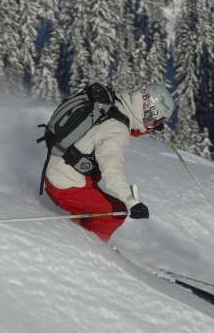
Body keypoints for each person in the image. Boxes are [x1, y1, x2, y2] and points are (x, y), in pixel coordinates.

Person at [44, 84, 175, 242]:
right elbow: (112, 171)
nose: (155, 126)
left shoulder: (114, 102)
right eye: (156, 121)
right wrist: (132, 201)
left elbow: (126, 125)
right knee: (115, 213)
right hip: (65, 186)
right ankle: (88, 249)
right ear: (148, 111)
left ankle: (77, 230)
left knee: (96, 204)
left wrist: (146, 127)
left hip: (59, 168)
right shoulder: (116, 130)